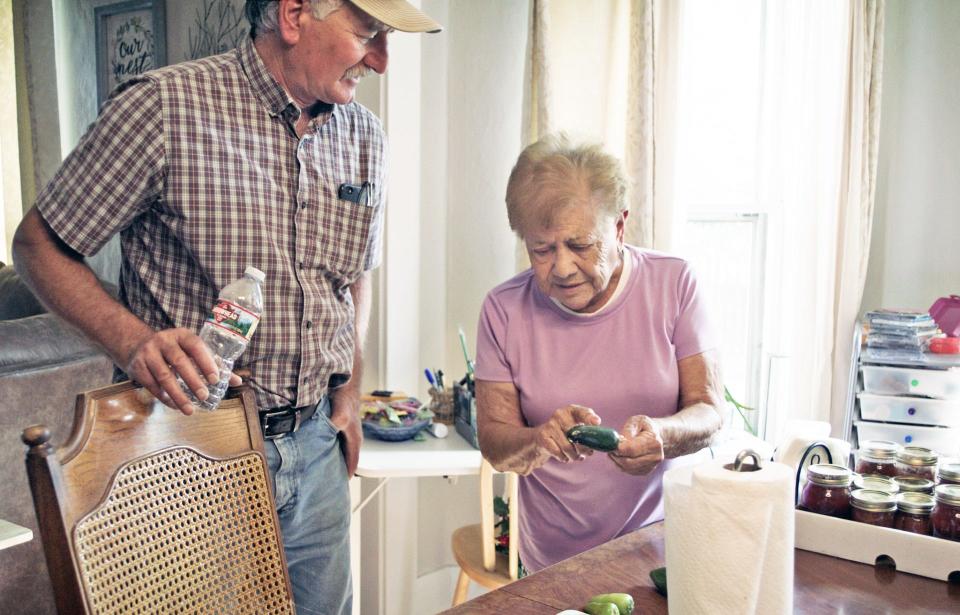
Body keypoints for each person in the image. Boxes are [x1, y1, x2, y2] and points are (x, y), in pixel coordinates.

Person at [12, 1, 441, 612]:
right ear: (294, 16)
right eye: (369, 34)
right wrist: (134, 343)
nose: (381, 60)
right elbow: (39, 246)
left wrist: (349, 385)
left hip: (316, 446)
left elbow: (352, 277)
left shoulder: (365, 136)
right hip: (187, 452)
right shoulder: (162, 108)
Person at [474, 134, 724, 573]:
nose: (563, 267)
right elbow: (496, 442)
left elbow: (708, 411)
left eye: (580, 245)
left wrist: (663, 435)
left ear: (620, 226)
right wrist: (540, 440)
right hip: (552, 564)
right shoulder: (503, 309)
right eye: (542, 249)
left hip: (663, 548)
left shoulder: (675, 283)